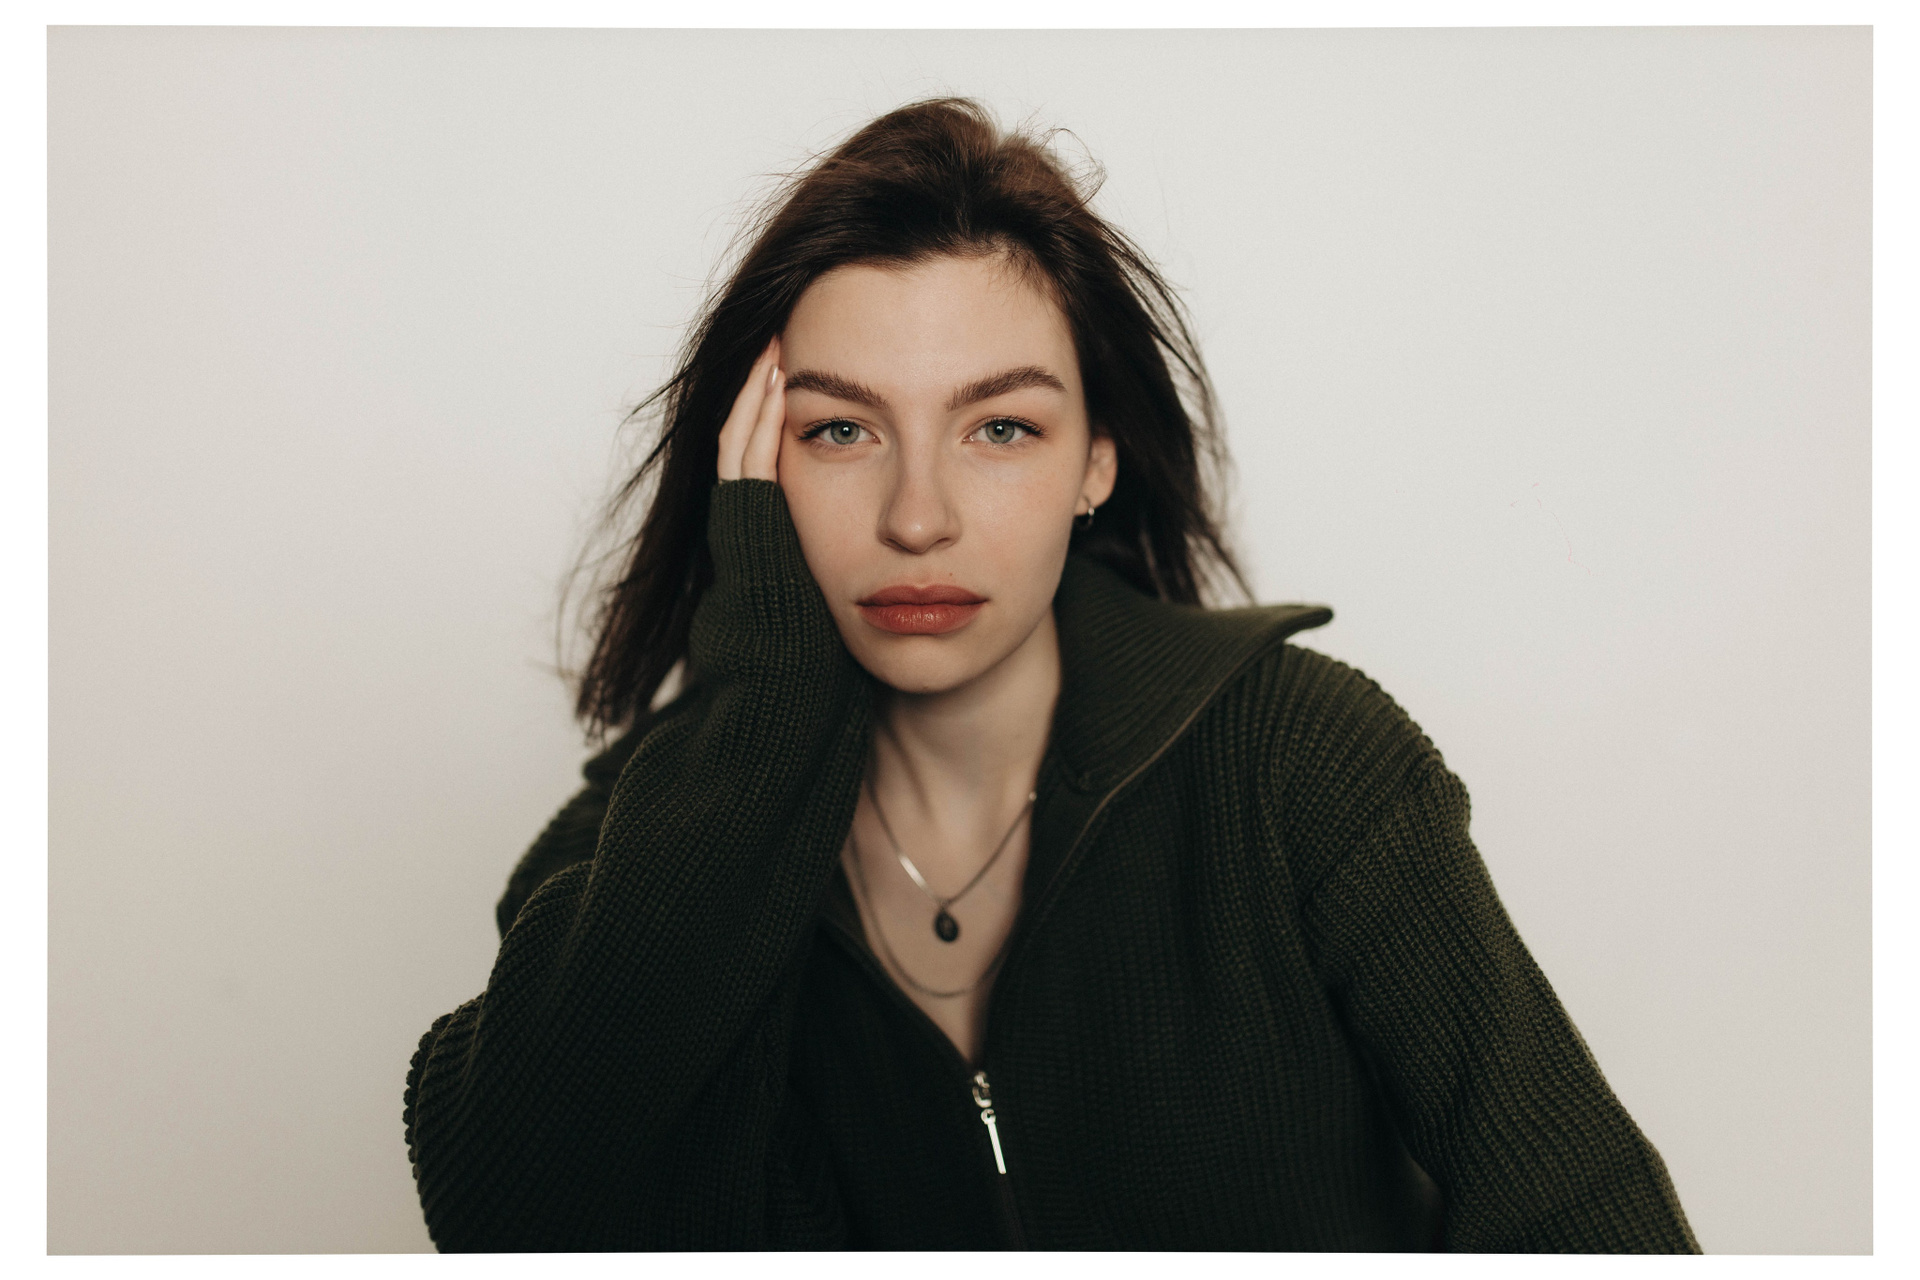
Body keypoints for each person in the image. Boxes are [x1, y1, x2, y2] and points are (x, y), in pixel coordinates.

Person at [403, 98, 1699, 1252]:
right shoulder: (631, 855)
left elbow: (1589, 1224)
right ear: (752, 468)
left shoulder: (1299, 762)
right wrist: (760, 715)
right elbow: (515, 1216)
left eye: (1002, 427)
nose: (918, 516)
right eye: (841, 429)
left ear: (1096, 460)